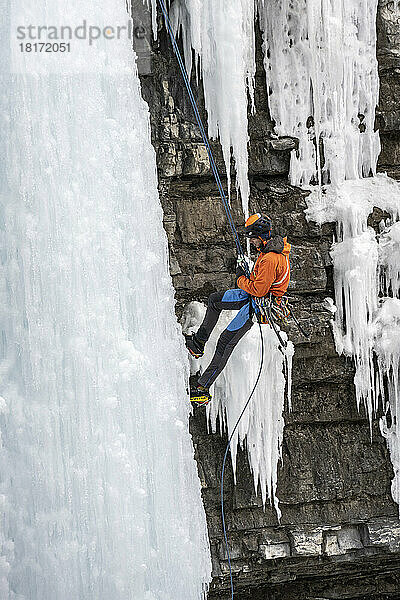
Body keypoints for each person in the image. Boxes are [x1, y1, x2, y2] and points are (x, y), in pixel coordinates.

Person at [185, 213, 291, 405]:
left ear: (260, 236)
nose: (251, 241)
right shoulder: (268, 252)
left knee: (225, 342)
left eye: (252, 238)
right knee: (215, 300)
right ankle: (198, 343)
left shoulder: (270, 259)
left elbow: (259, 290)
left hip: (257, 306)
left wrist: (241, 278)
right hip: (252, 297)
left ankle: (202, 388)